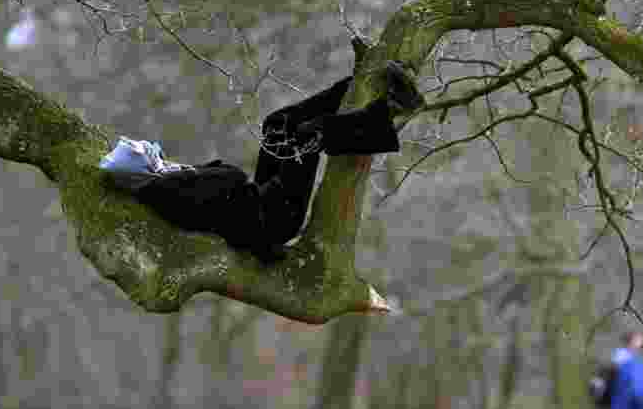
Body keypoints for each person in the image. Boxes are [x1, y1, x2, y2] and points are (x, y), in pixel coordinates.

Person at [100, 61, 424, 263]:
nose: (148, 146)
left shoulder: (164, 182)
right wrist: (202, 172)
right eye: (142, 151)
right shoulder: (163, 190)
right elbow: (228, 178)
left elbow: (222, 183)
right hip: (273, 217)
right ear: (140, 169)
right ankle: (390, 109)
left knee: (276, 124)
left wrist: (200, 172)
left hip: (261, 198)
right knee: (310, 134)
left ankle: (355, 84)